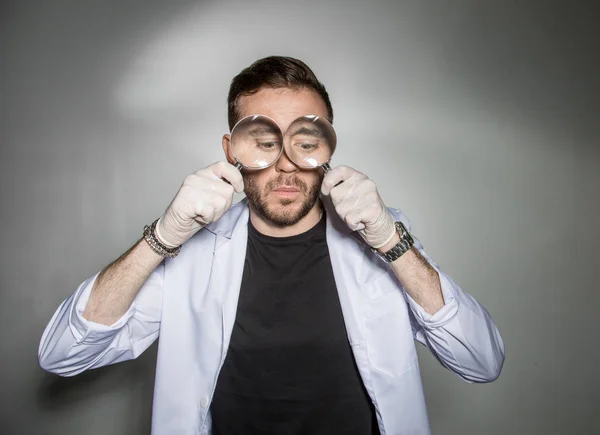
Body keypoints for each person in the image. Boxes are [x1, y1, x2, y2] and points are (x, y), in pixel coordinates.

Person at [39, 56, 505, 435]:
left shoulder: (382, 236)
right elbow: (64, 354)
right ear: (232, 150)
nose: (285, 165)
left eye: (304, 141)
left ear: (326, 146)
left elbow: (481, 361)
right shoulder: (193, 252)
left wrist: (390, 242)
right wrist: (162, 237)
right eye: (264, 141)